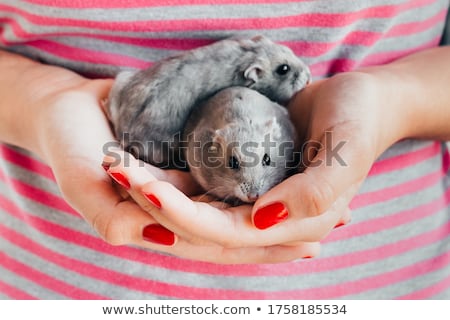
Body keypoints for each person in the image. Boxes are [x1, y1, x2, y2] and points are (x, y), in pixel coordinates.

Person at [0, 0, 449, 299]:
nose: (254, 192)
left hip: (386, 283)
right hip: (59, 282)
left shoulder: (275, 123)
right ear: (253, 75)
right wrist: (45, 105)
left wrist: (390, 101)